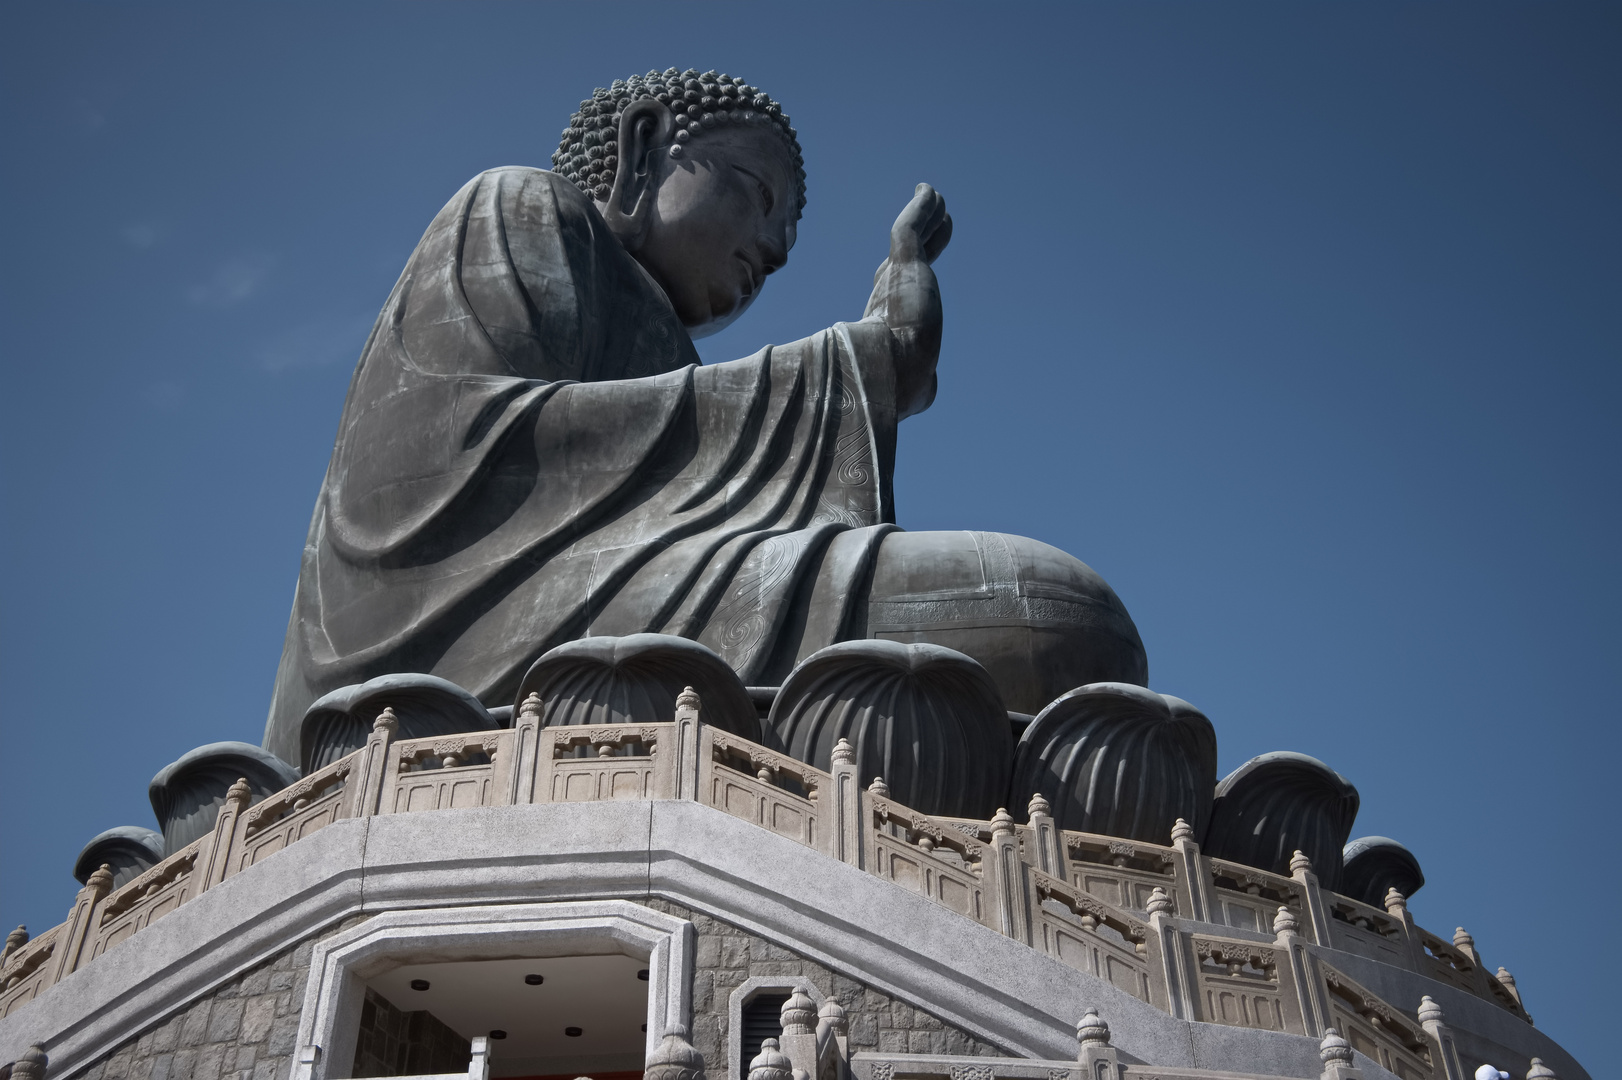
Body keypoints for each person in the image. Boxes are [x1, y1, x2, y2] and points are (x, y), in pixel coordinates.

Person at [262, 69, 1146, 765]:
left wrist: (868, 361)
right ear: (645, 147)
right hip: (453, 646)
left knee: (1049, 614)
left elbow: (684, 511)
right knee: (1051, 613)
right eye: (758, 197)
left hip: (650, 592)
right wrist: (863, 361)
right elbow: (440, 475)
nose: (775, 249)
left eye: (787, 238)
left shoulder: (672, 357)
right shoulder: (523, 208)